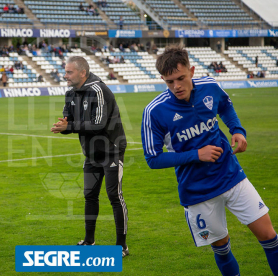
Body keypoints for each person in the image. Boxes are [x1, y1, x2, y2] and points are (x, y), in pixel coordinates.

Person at [141, 45, 278, 275]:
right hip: (197, 191)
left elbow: (225, 106)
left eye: (181, 78)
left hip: (231, 176)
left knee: (269, 237)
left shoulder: (210, 87)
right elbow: (153, 159)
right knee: (222, 249)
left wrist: (237, 129)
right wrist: (197, 155)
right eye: (169, 81)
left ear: (192, 70)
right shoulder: (154, 111)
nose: (176, 86)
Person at [51, 56, 129, 257]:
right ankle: (89, 241)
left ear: (82, 73)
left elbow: (98, 124)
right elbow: (72, 123)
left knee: (114, 196)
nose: (65, 75)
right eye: (65, 71)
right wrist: (63, 127)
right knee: (90, 196)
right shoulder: (70, 93)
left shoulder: (98, 90)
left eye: (69, 72)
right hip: (92, 153)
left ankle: (121, 246)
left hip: (111, 150)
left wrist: (70, 126)